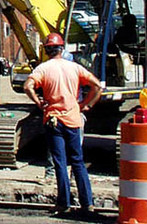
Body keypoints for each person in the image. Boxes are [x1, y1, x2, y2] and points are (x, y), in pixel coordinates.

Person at [24, 32, 102, 217]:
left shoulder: (43, 69)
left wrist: (38, 102)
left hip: (53, 120)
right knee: (78, 161)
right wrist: (85, 105)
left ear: (47, 50)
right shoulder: (74, 68)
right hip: (73, 119)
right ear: (61, 49)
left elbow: (28, 86)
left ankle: (63, 204)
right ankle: (87, 204)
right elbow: (97, 86)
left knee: (60, 162)